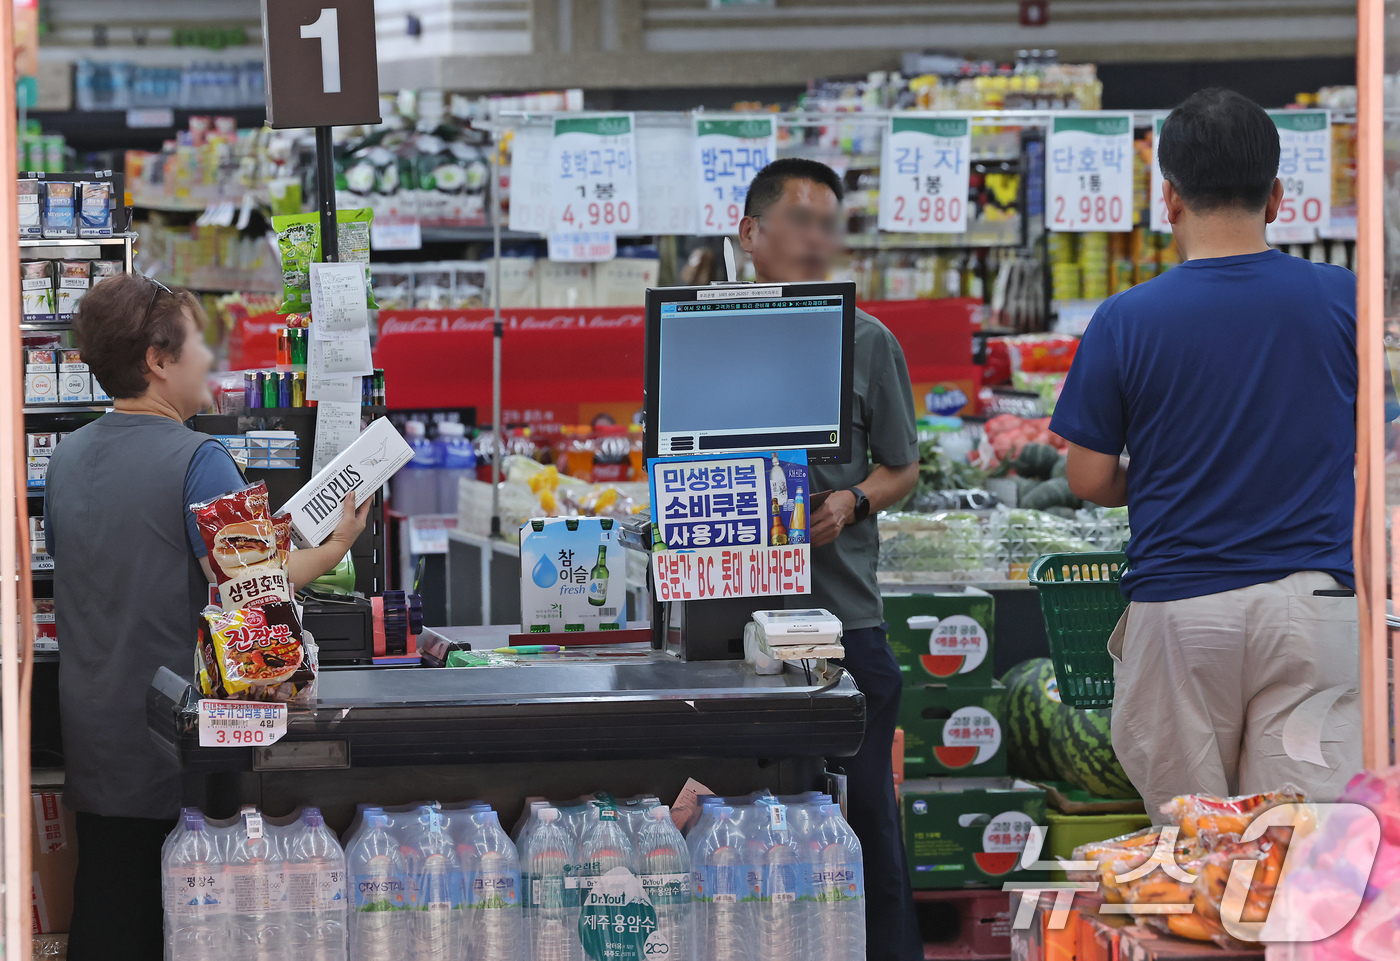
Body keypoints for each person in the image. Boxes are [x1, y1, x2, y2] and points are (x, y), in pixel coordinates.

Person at [1050, 89, 1361, 817]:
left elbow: (1087, 475)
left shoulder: (1127, 319)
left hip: (1182, 610)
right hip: (1314, 608)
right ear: (1278, 196)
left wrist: (1163, 472)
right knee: (1302, 842)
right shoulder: (1344, 298)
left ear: (1169, 199)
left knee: (1195, 852)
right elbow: (1378, 446)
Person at [44, 274, 370, 961]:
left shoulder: (67, 457)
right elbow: (260, 594)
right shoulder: (200, 460)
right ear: (159, 360)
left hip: (93, 737)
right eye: (200, 344)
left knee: (107, 909)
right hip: (177, 748)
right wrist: (338, 542)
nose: (211, 363)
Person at [739, 158, 922, 961]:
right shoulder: (708, 331)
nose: (817, 241)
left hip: (843, 624)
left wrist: (854, 500)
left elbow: (905, 465)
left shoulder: (869, 341)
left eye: (828, 226)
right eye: (800, 222)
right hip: (731, 632)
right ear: (752, 233)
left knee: (866, 821)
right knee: (744, 825)